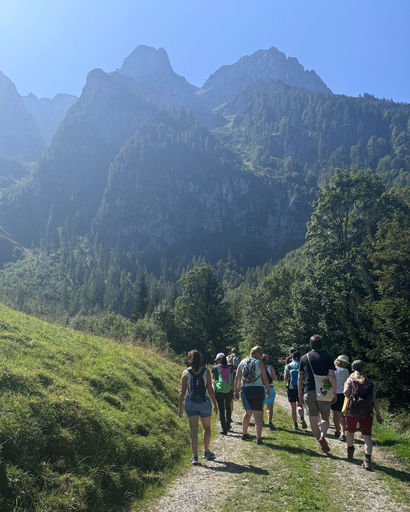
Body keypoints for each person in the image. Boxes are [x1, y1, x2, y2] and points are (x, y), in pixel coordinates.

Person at [178, 349, 218, 465]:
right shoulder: (206, 372)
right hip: (204, 403)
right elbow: (210, 390)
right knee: (207, 428)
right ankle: (206, 451)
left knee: (193, 431)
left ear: (189, 359)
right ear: (200, 359)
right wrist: (215, 405)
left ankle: (195, 456)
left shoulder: (185, 373)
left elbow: (182, 391)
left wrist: (180, 407)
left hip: (191, 403)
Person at [298, 335, 337, 454]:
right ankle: (322, 436)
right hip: (324, 390)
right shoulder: (327, 356)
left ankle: (320, 442)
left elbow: (300, 377)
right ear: (322, 344)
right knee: (325, 418)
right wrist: (334, 392)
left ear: (310, 345)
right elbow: (332, 375)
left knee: (313, 419)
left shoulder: (305, 357)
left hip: (309, 390)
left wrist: (300, 394)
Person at [344, 360, 383, 470]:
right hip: (366, 412)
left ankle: (350, 452)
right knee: (367, 436)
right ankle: (367, 460)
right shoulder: (370, 381)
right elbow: (374, 400)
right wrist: (378, 415)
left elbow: (345, 393)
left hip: (351, 411)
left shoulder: (350, 379)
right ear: (364, 368)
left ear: (353, 368)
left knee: (350, 432)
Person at [234, 345, 270, 445]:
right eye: (260, 353)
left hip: (245, 389)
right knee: (258, 415)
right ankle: (258, 438)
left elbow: (237, 377)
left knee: (247, 412)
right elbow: (265, 378)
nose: (261, 355)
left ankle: (244, 434)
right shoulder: (260, 363)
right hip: (257, 389)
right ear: (256, 353)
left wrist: (236, 390)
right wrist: (267, 389)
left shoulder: (242, 362)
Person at [284, 351, 307, 430]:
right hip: (300, 388)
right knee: (300, 405)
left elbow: (285, 378)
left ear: (292, 357)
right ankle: (301, 417)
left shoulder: (288, 366)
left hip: (291, 388)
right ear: (299, 357)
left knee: (293, 407)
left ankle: (295, 424)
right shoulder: (302, 366)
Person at [212, 353, 234, 435]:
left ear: (220, 359)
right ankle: (228, 425)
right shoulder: (230, 367)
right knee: (228, 407)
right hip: (229, 389)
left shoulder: (215, 368)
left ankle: (223, 429)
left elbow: (214, 379)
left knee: (221, 409)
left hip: (219, 390)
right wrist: (233, 389)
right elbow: (232, 379)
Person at [332, 355, 350, 441]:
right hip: (342, 394)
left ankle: (337, 430)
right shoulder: (345, 371)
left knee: (335, 413)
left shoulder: (332, 370)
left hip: (333, 393)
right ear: (342, 363)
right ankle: (343, 432)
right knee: (341, 414)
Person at [261, 354, 277, 429]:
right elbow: (274, 377)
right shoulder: (270, 367)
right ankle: (269, 422)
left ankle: (261, 421)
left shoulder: (259, 368)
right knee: (269, 407)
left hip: (260, 388)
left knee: (261, 406)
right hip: (270, 388)